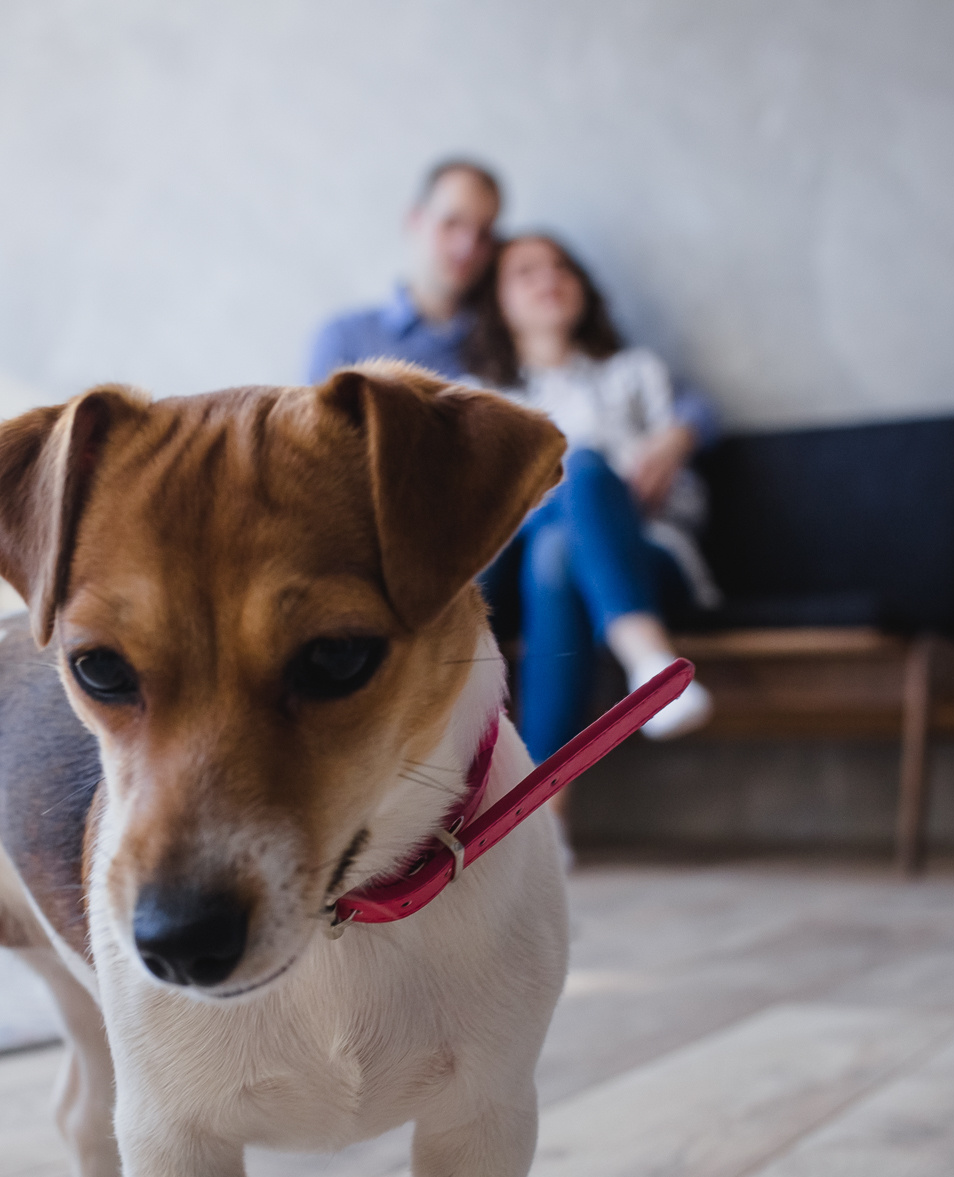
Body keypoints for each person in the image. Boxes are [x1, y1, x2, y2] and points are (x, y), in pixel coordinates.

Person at [464, 232, 716, 760]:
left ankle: (541, 815)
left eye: (561, 267)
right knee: (555, 544)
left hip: (648, 553)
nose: (549, 279)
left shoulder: (637, 374)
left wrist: (628, 492)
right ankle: (649, 663)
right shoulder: (479, 402)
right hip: (520, 563)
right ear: (498, 301)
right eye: (526, 273)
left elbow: (690, 498)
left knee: (578, 477)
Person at [307, 158, 505, 383]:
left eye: (484, 234)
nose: (467, 247)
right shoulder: (345, 340)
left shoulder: (506, 347)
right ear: (415, 220)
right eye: (452, 223)